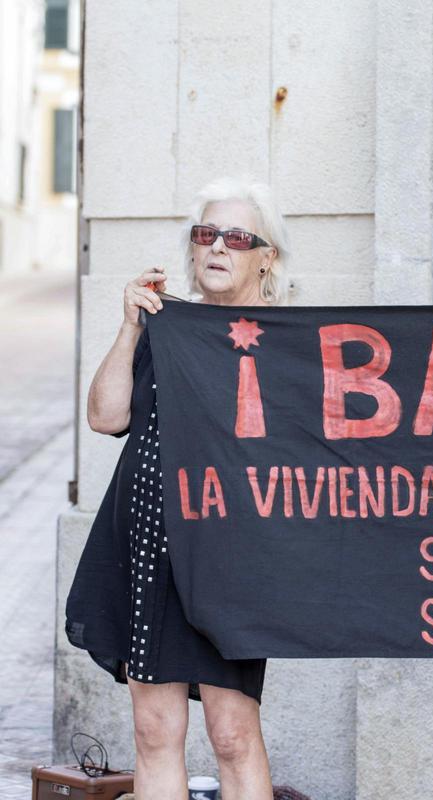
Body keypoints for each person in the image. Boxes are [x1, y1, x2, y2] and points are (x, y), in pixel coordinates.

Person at [66, 177, 289, 799]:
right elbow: (107, 417)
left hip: (232, 554)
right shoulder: (166, 328)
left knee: (232, 732)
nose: (219, 247)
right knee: (154, 727)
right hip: (147, 542)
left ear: (265, 256)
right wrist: (131, 326)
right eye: (206, 234)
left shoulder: (288, 338)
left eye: (238, 237)